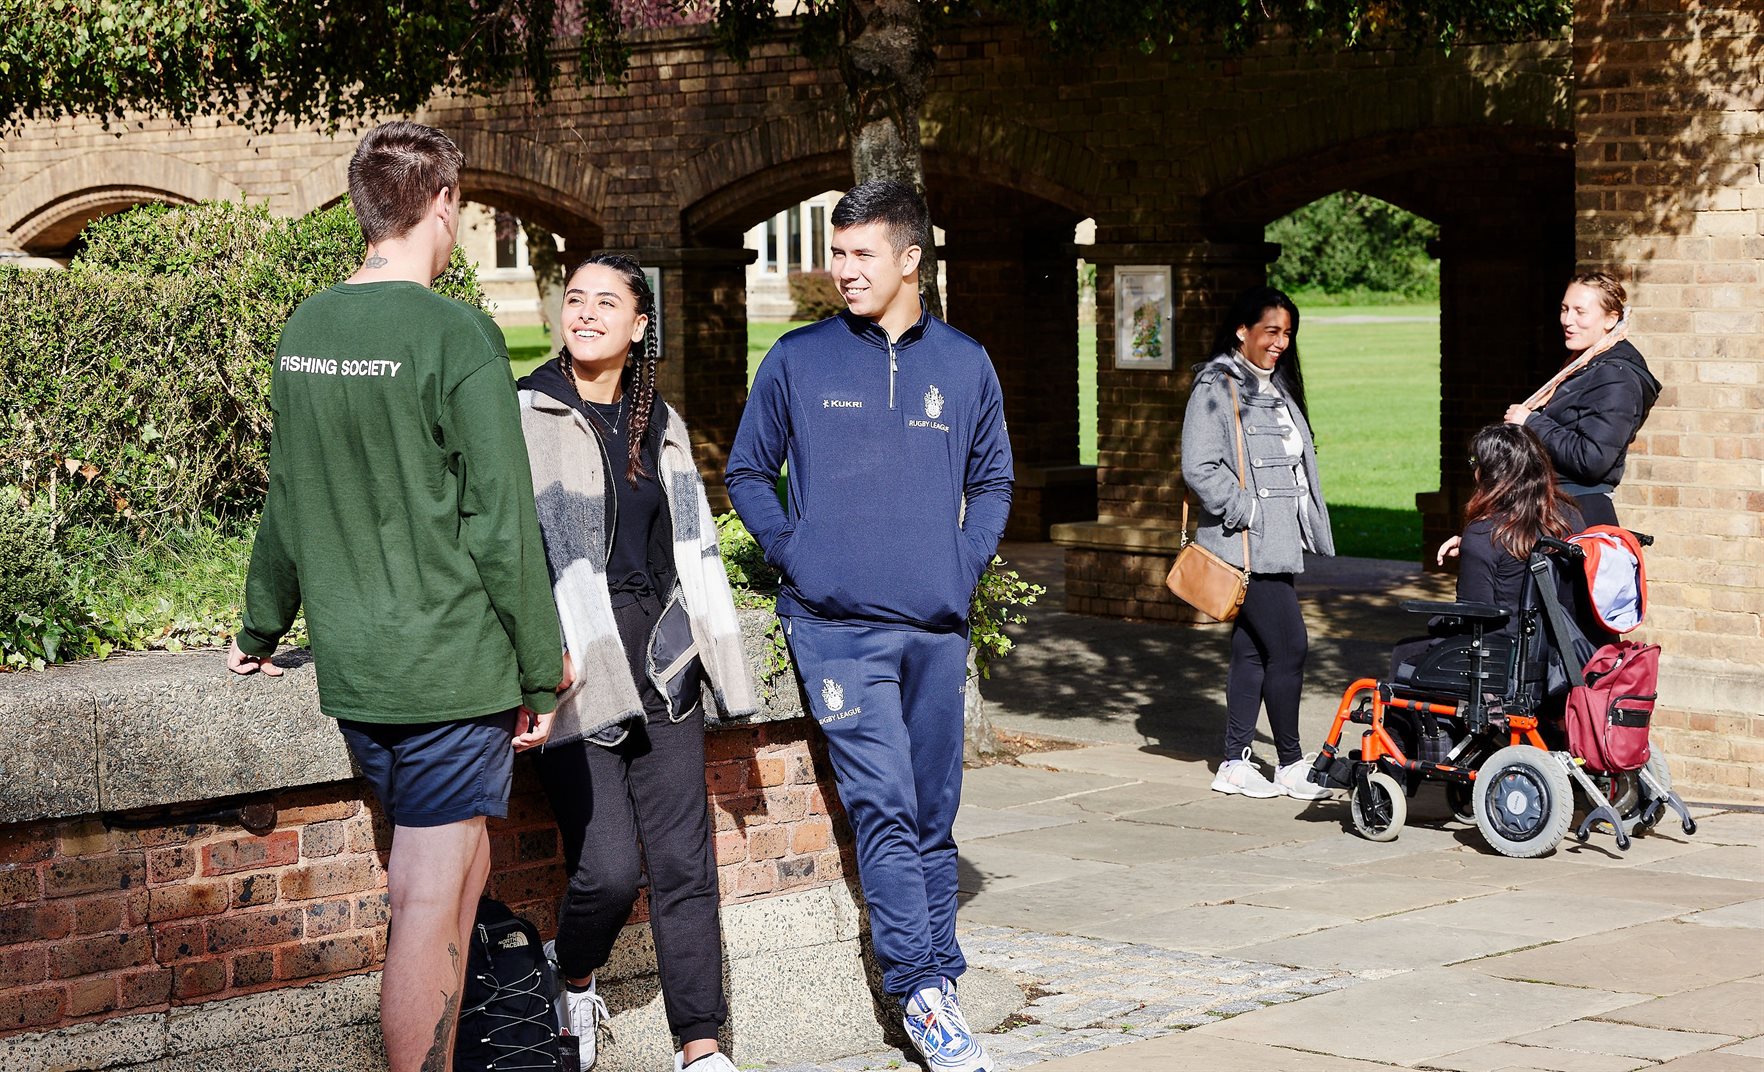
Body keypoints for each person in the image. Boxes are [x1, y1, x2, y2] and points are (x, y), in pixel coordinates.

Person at [227, 121, 564, 1072]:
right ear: (443, 203)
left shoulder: (308, 327)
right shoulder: (456, 332)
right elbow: (502, 523)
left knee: (461, 876)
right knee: (425, 899)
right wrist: (542, 671)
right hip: (449, 669)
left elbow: (288, 497)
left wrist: (260, 623)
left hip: (361, 671)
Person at [725, 180, 1012, 1072]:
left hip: (934, 626)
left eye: (859, 254)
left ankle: (941, 974)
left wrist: (959, 571)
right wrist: (797, 555)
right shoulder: (798, 359)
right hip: (837, 629)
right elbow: (745, 473)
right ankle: (918, 990)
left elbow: (995, 479)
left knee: (933, 813)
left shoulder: (966, 364)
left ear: (910, 259)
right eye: (836, 252)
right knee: (884, 806)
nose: (842, 270)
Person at [516, 254, 757, 1072]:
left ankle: (700, 1045)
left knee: (687, 862)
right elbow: (505, 551)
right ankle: (573, 974)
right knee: (610, 869)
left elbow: (695, 546)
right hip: (575, 660)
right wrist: (529, 664)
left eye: (604, 302)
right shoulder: (525, 413)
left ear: (639, 325)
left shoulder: (661, 421)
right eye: (574, 300)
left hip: (663, 657)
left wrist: (720, 660)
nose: (583, 313)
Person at [1181, 286, 1335, 801]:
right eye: (1271, 331)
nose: (1281, 342)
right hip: (1248, 545)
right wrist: (1246, 510)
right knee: (1290, 645)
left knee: (1253, 651)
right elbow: (1199, 466)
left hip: (1278, 545)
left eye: (1288, 333)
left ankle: (1234, 762)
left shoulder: (1275, 385)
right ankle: (1290, 763)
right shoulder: (1215, 385)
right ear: (1242, 331)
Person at [1503, 271, 1660, 527]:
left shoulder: (1616, 376)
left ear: (1611, 319)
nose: (1567, 320)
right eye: (1565, 309)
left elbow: (1593, 459)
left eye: (1580, 311)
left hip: (1579, 514)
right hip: (1557, 507)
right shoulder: (1584, 365)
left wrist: (1531, 422)